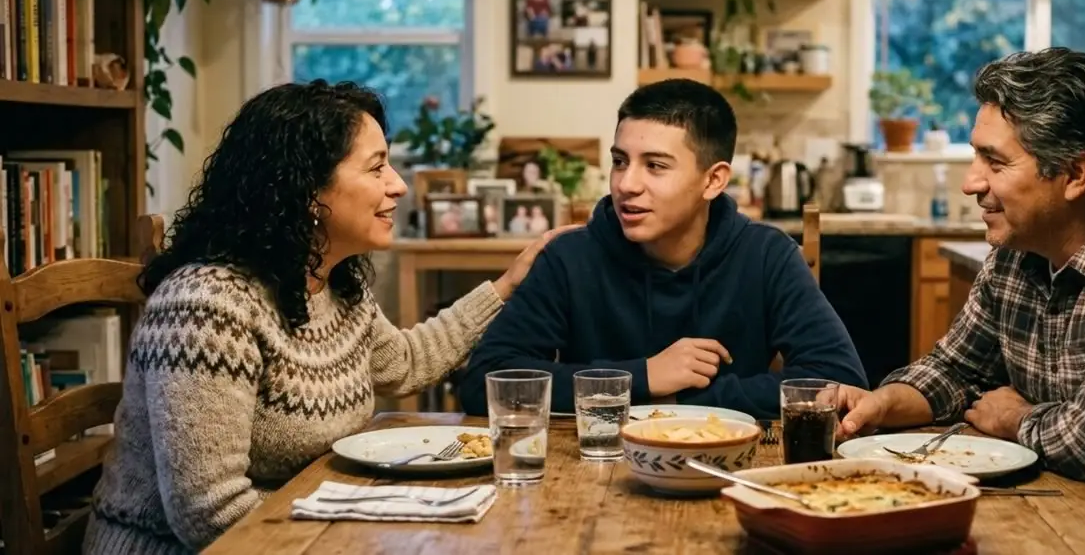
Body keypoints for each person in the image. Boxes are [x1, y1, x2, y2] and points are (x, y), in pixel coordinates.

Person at [83, 80, 575, 554]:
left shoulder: (329, 283)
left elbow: (404, 363)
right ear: (307, 191)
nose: (399, 185)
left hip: (295, 529)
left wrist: (506, 285)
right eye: (377, 168)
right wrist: (353, 531)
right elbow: (208, 512)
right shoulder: (205, 307)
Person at [835, 48, 1085, 552]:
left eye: (996, 161)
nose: (971, 182)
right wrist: (881, 404)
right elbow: (956, 370)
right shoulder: (1020, 249)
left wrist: (1013, 418)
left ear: (1076, 174)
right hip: (1053, 517)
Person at [459, 78, 867, 420]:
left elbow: (839, 382)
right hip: (596, 464)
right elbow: (484, 383)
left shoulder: (766, 255)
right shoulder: (569, 257)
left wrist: (676, 401)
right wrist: (644, 377)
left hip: (728, 464)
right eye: (620, 161)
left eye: (655, 166)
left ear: (713, 181)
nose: (626, 184)